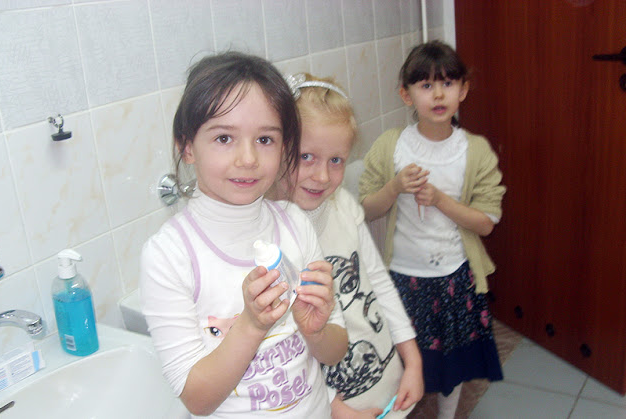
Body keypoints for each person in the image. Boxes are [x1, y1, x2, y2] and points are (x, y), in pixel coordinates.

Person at [139, 52, 348, 418]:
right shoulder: (169, 255)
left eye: (265, 139)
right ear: (186, 146)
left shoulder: (295, 224)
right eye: (224, 138)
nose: (248, 158)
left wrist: (314, 331)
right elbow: (197, 400)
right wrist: (251, 325)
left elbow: (335, 350)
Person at [358, 40, 506, 419]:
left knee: (451, 364)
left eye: (448, 83)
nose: (438, 95)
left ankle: (446, 414)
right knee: (403, 362)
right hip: (403, 278)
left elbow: (485, 222)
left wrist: (440, 199)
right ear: (406, 95)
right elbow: (364, 209)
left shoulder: (475, 151)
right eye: (425, 85)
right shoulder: (391, 145)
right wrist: (395, 187)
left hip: (455, 277)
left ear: (463, 90)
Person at [272, 73, 424, 418]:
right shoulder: (273, 239)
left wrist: (412, 358)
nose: (323, 176)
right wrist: (336, 408)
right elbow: (281, 343)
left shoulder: (343, 206)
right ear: (278, 150)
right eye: (307, 156)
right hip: (330, 404)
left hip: (387, 375)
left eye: (336, 160)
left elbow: (378, 282)